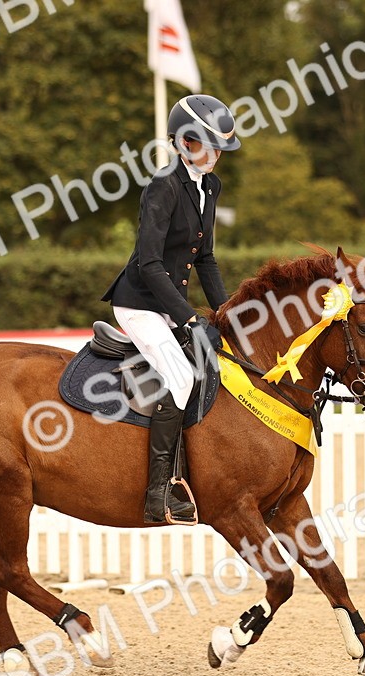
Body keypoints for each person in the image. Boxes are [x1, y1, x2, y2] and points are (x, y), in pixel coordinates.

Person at [101, 94, 239, 523]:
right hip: (139, 304)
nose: (214, 156)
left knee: (216, 366)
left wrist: (229, 314)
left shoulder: (209, 187)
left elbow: (206, 259)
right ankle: (160, 492)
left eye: (219, 148)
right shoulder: (162, 185)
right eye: (205, 145)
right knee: (180, 378)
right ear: (183, 143)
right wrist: (191, 318)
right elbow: (150, 262)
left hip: (170, 305)